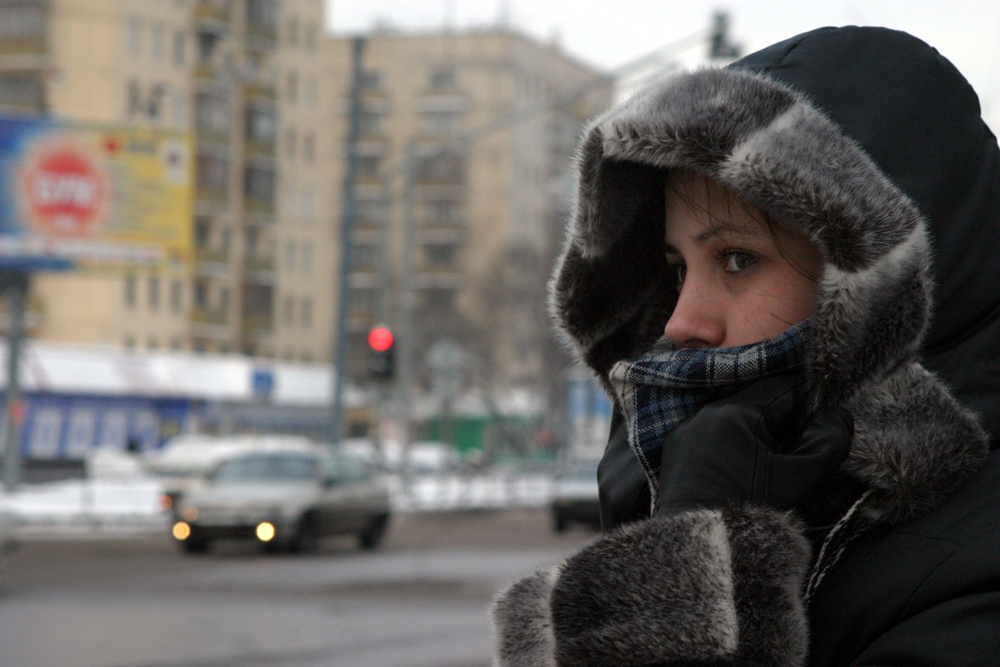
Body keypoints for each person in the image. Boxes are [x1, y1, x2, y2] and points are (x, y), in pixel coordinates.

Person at [491, 26, 1000, 667]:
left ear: (881, 284)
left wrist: (694, 567)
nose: (679, 323)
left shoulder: (977, 571)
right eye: (677, 269)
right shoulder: (674, 470)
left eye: (736, 259)